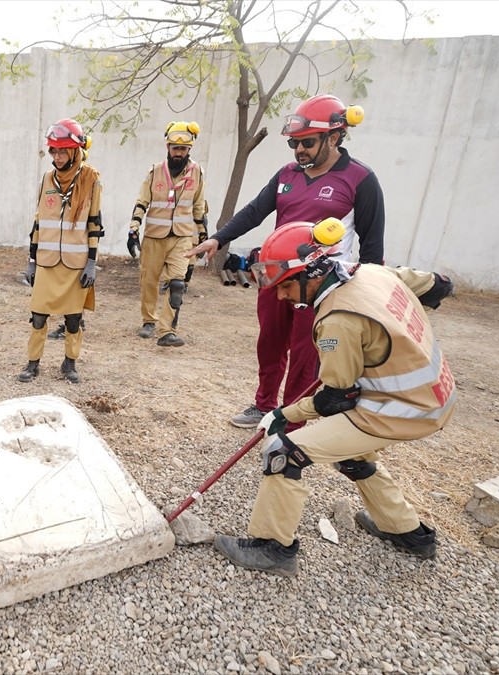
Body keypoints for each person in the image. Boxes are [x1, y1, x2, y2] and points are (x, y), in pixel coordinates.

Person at [212, 219, 456, 577]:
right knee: (351, 453)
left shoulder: (337, 319)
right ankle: (408, 533)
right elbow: (439, 285)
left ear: (310, 275)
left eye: (284, 287)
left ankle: (273, 549)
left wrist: (282, 415)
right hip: (435, 395)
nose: (280, 296)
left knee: (283, 450)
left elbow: (335, 400)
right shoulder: (373, 273)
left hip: (399, 409)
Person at [186, 94, 384, 430]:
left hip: (320, 286)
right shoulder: (287, 174)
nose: (298, 151)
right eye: (294, 143)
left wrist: (366, 296)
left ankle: (291, 420)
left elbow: (372, 245)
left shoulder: (360, 180)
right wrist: (219, 237)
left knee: (306, 354)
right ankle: (263, 405)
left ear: (333, 137)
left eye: (306, 143)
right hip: (276, 276)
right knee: (270, 343)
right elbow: (255, 211)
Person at [18, 118, 102, 384]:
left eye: (62, 150)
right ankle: (33, 364)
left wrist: (91, 262)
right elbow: (38, 222)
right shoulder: (47, 178)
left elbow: (95, 223)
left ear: (75, 150)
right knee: (38, 315)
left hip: (76, 263)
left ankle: (70, 363)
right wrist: (31, 260)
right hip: (47, 261)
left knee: (73, 318)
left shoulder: (91, 179)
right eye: (53, 150)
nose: (56, 156)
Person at [129, 121, 208, 347]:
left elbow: (198, 206)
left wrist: (203, 235)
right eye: (175, 148)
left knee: (177, 284)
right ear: (168, 147)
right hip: (154, 236)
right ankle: (148, 321)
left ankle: (167, 331)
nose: (178, 153)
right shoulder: (154, 171)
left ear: (189, 149)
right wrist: (133, 229)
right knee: (149, 282)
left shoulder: (197, 173)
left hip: (182, 238)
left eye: (183, 149)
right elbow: (142, 200)